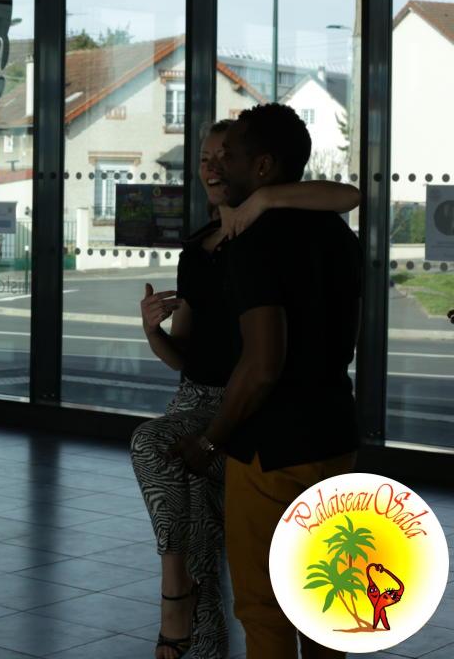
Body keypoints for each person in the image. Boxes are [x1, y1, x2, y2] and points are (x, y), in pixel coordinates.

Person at [131, 119, 360, 659]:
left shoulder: (256, 242)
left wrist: (211, 439)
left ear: (261, 167)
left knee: (264, 609)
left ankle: (179, 603)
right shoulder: (337, 234)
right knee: (326, 606)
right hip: (335, 433)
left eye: (228, 156)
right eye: (209, 157)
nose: (216, 167)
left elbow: (262, 365)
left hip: (270, 443)